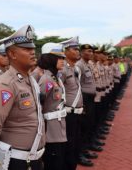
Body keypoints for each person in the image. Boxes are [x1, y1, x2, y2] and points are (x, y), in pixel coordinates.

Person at [0, 25, 45, 170]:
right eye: (27, 49)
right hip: (15, 160)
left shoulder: (29, 79)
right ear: (12, 54)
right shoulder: (7, 84)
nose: (33, 52)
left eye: (33, 49)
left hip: (33, 158)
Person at [37, 42, 67, 170]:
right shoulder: (46, 80)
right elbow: (38, 106)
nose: (62, 61)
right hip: (50, 131)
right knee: (53, 163)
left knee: (59, 161)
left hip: (58, 126)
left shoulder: (55, 78)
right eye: (59, 58)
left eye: (63, 58)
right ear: (50, 59)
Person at [59, 37, 83, 170]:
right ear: (66, 51)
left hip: (78, 112)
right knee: (68, 146)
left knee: (75, 145)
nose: (77, 51)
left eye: (78, 49)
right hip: (68, 114)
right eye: (74, 49)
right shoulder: (62, 70)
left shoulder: (76, 69)